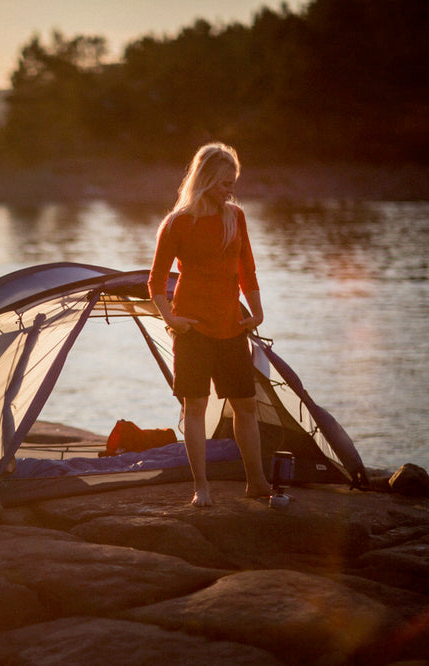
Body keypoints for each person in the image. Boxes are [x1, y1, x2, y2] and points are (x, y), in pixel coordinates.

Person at [147, 142, 272, 507]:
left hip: (232, 326)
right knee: (196, 408)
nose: (230, 190)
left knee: (246, 406)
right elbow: (155, 283)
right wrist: (171, 319)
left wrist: (257, 311)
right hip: (193, 329)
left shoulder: (236, 216)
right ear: (204, 182)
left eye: (233, 183)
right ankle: (201, 487)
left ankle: (258, 481)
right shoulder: (176, 223)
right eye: (223, 183)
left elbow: (246, 270)